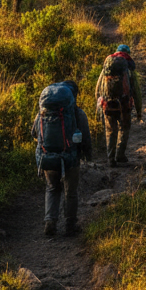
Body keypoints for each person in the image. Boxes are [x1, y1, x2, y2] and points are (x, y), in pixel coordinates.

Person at [31, 78, 92, 236]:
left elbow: (34, 133)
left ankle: (50, 222)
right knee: (70, 192)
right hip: (70, 157)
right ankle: (70, 225)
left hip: (47, 157)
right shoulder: (78, 113)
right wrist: (87, 154)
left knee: (52, 188)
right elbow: (86, 137)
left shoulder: (42, 113)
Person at [95, 43, 143, 167]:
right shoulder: (128, 68)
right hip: (124, 105)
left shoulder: (107, 66)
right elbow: (136, 92)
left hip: (107, 105)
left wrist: (100, 105)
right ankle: (120, 155)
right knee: (124, 129)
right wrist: (139, 111)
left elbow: (98, 89)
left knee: (110, 131)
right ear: (128, 54)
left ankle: (111, 159)